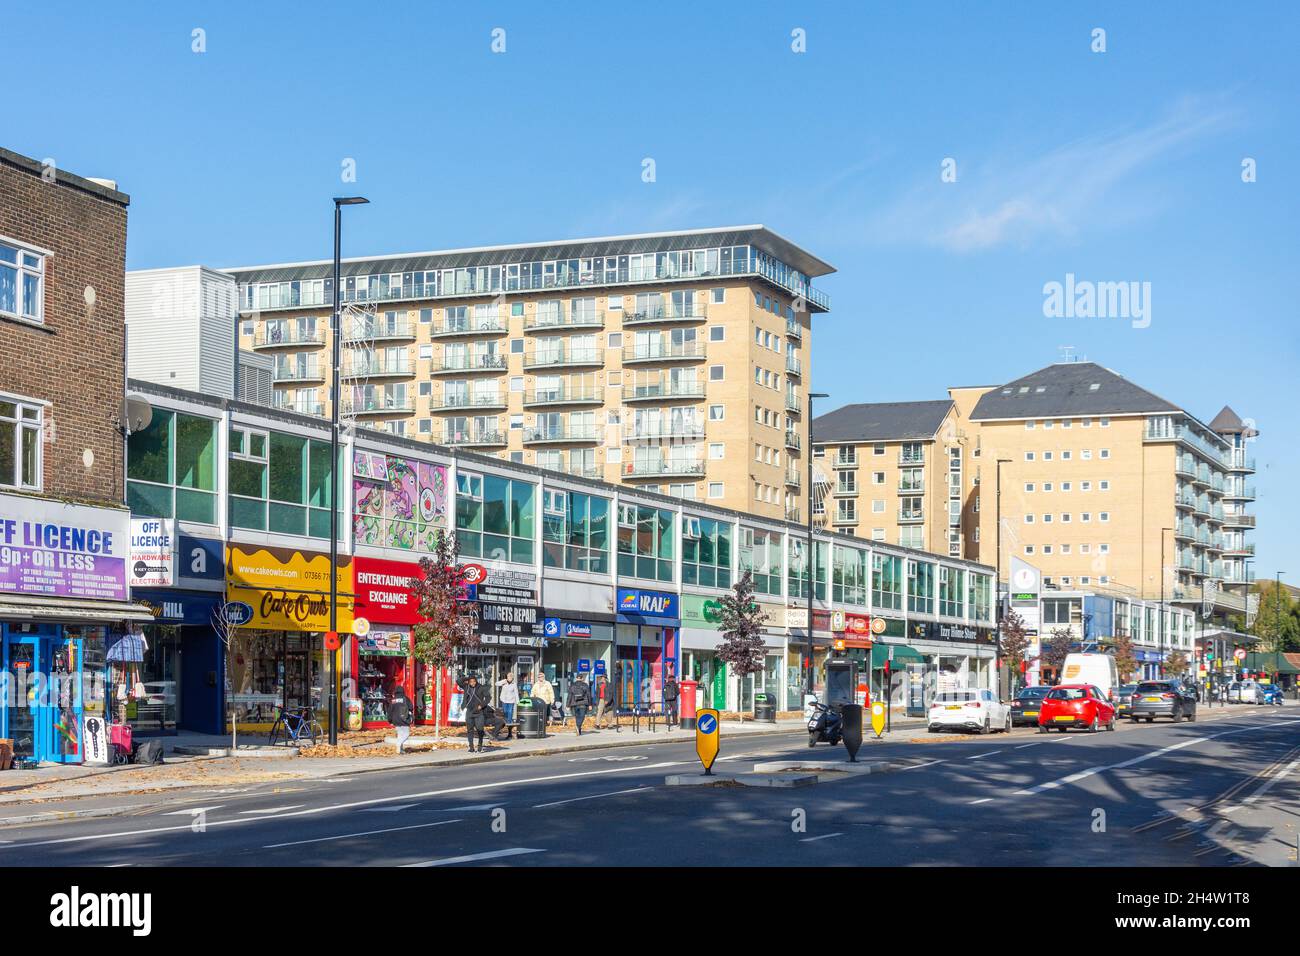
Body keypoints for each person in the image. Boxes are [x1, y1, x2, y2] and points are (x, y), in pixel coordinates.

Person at [460, 674, 492, 752]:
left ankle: (480, 745)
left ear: (476, 681)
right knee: (470, 730)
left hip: (479, 712)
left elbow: (488, 697)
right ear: (469, 682)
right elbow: (458, 681)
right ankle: (471, 747)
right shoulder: (466, 686)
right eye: (471, 681)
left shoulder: (481, 687)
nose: (473, 683)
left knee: (480, 729)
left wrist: (481, 705)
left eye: (474, 681)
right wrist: (468, 677)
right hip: (469, 711)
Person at [387, 685, 412, 754]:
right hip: (404, 719)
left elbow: (389, 711)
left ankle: (400, 750)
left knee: (400, 735)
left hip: (395, 720)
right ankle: (398, 744)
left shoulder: (393, 700)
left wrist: (390, 720)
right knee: (406, 734)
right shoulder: (405, 699)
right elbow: (411, 707)